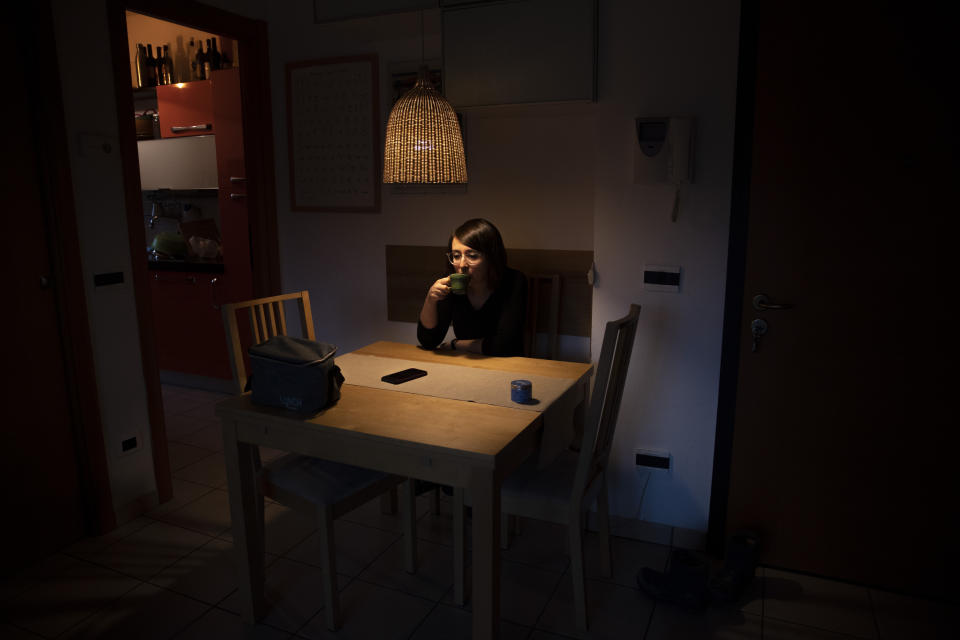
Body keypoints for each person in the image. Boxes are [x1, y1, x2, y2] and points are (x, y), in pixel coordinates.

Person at [418, 218, 526, 356]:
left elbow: (506, 346)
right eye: (456, 256)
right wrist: (430, 300)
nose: (462, 264)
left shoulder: (513, 281)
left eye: (472, 256)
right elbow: (428, 341)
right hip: (465, 365)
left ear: (491, 257)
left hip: (507, 365)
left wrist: (456, 344)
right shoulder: (452, 281)